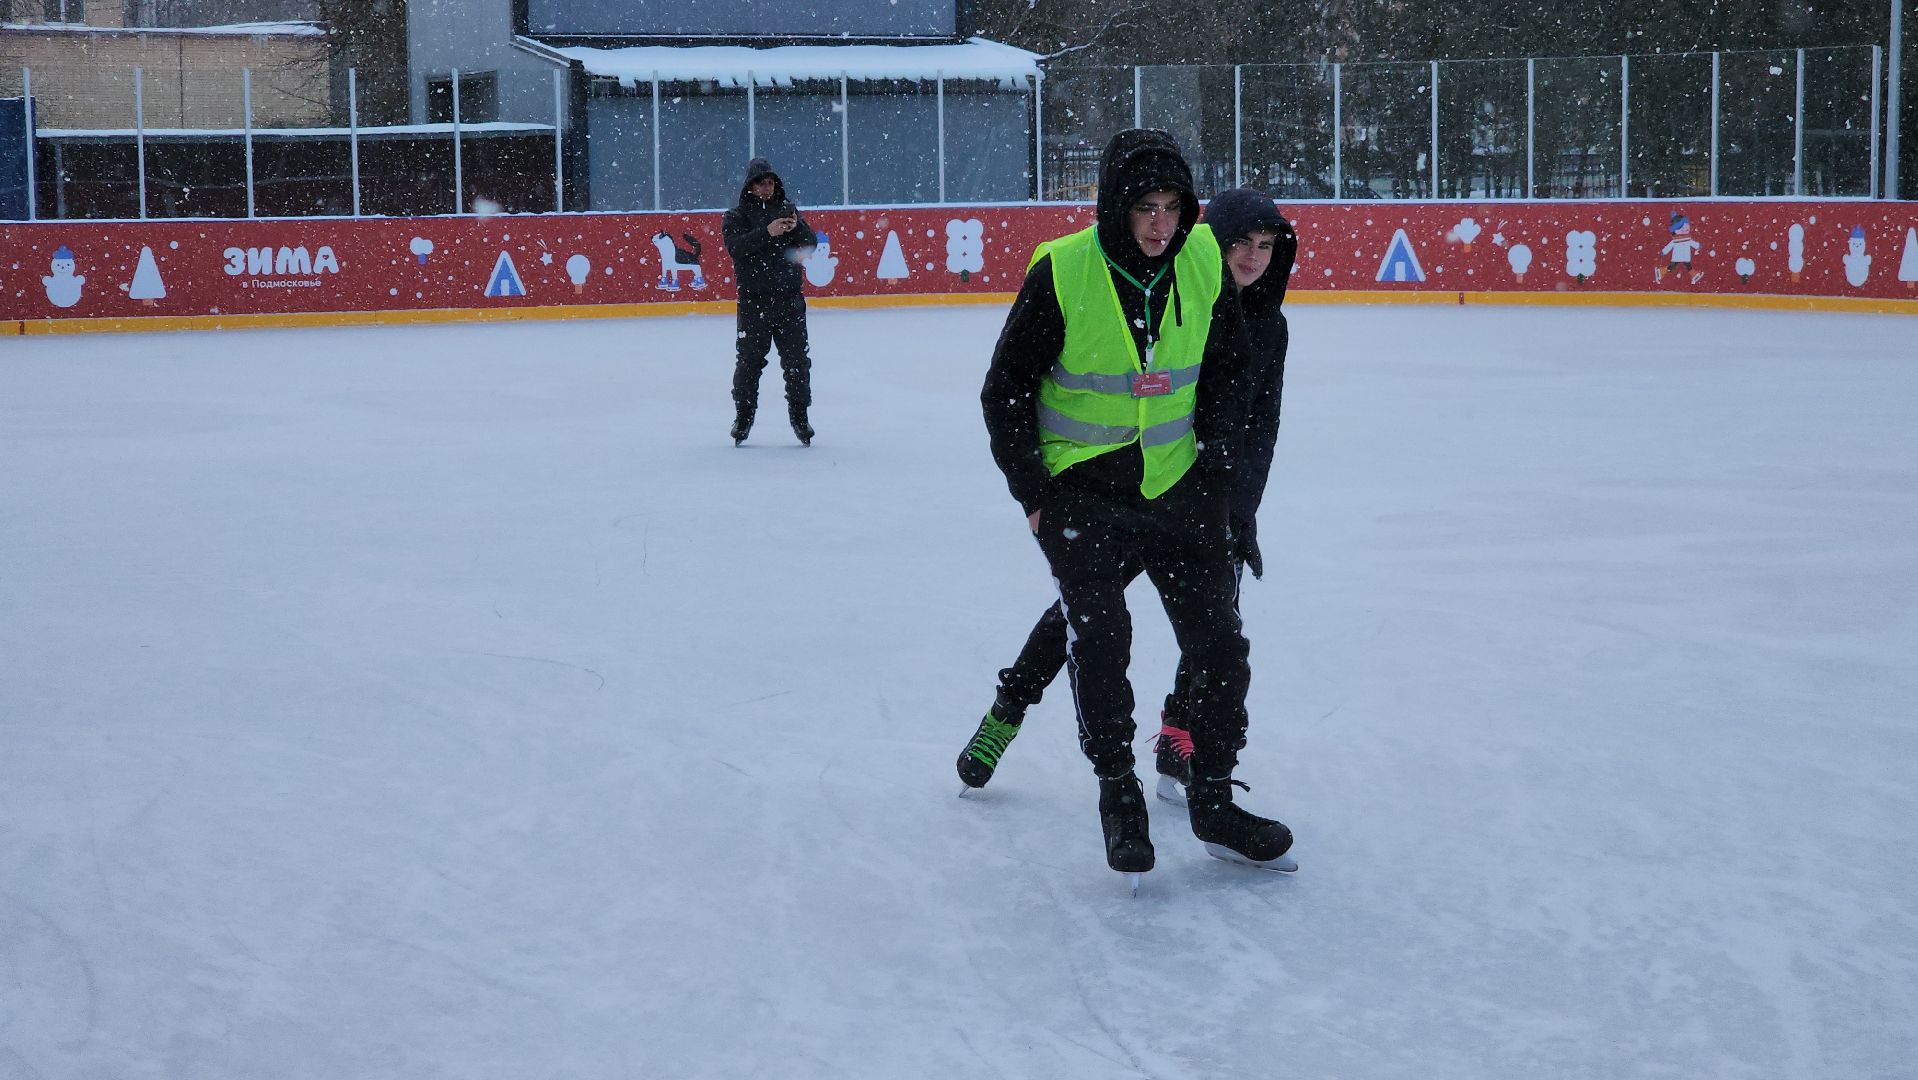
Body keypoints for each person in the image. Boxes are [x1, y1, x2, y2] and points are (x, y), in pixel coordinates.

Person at [975, 131, 1294, 887]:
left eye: (1173, 207)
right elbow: (1005, 392)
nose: (1159, 224)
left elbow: (1228, 371)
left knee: (1220, 646)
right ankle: (1120, 795)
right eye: (1145, 207)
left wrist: (1217, 464)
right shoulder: (1064, 271)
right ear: (1116, 206)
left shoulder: (1201, 262)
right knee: (1099, 638)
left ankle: (1212, 799)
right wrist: (1034, 496)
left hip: (1179, 487)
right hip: (1084, 490)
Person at [722, 157, 817, 446]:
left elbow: (810, 244)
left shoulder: (788, 211)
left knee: (797, 364)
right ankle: (743, 418)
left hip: (789, 302)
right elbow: (736, 248)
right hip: (754, 303)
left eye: (771, 182)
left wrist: (795, 227)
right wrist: (767, 232)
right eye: (761, 182)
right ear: (750, 186)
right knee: (749, 364)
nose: (767, 187)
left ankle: (800, 418)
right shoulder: (736, 216)